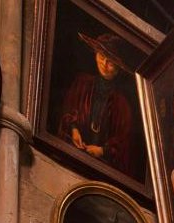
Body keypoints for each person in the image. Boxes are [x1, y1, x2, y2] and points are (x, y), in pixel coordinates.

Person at [57, 32, 138, 177]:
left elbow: (123, 144)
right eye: (101, 57)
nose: (104, 64)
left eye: (111, 62)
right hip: (71, 159)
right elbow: (67, 113)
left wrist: (102, 151)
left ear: (118, 68)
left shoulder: (122, 105)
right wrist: (74, 130)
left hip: (101, 173)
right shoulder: (81, 83)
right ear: (95, 55)